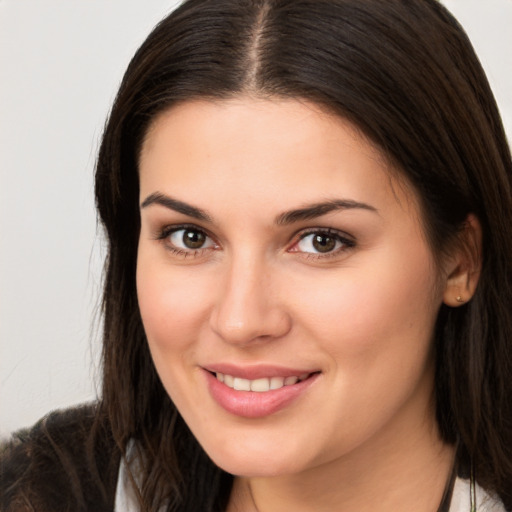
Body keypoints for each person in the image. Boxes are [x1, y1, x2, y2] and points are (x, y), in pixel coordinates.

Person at [1, 0, 511, 510]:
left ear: (461, 260)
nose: (241, 321)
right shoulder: (33, 492)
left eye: (321, 241)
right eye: (190, 237)